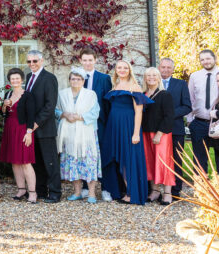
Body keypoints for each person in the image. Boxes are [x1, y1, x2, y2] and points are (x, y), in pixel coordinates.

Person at [104, 60, 152, 205]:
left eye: (125, 68)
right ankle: (122, 191)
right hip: (114, 126)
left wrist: (136, 132)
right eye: (119, 67)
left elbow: (139, 112)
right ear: (116, 70)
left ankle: (133, 193)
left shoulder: (134, 87)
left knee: (128, 158)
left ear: (129, 70)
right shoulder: (115, 86)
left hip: (128, 126)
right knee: (116, 158)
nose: (122, 70)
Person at [56, 68, 101, 203]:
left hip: (86, 133)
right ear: (69, 80)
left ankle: (92, 193)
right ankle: (77, 192)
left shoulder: (90, 94)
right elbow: (56, 109)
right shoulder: (62, 94)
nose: (75, 81)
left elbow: (95, 112)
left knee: (89, 162)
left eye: (78, 79)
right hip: (68, 133)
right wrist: (65, 114)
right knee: (72, 162)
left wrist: (80, 117)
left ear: (83, 81)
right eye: (73, 79)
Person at [24, 50, 61, 203]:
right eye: (29, 61)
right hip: (32, 128)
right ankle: (40, 190)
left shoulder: (49, 78)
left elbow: (50, 106)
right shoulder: (28, 77)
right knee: (37, 162)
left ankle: (55, 192)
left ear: (42, 61)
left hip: (45, 128)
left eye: (35, 61)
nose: (32, 64)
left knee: (50, 162)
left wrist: (35, 124)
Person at [0, 68, 38, 203]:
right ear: (9, 80)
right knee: (15, 163)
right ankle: (21, 189)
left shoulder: (28, 95)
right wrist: (4, 105)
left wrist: (29, 133)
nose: (15, 80)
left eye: (17, 78)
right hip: (10, 129)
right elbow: (3, 114)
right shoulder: (8, 94)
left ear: (22, 80)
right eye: (12, 78)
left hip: (23, 130)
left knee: (25, 162)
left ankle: (32, 192)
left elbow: (31, 116)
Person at [79, 50, 113, 201]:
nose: (87, 63)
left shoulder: (104, 78)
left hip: (100, 123)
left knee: (103, 154)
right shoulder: (77, 77)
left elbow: (107, 102)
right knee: (85, 155)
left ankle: (106, 188)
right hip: (81, 125)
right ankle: (86, 187)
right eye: (85, 60)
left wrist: (107, 123)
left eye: (90, 60)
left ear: (95, 60)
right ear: (80, 61)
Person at [142, 67, 175, 205]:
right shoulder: (143, 94)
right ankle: (155, 191)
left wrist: (159, 133)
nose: (151, 77)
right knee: (149, 161)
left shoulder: (164, 94)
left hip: (161, 134)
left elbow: (169, 116)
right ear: (145, 78)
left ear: (158, 77)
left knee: (164, 162)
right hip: (145, 133)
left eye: (154, 75)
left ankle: (167, 193)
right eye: (148, 75)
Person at [160, 57, 193, 199]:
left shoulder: (180, 84)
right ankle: (155, 189)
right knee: (158, 159)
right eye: (163, 67)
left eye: (169, 67)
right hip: (156, 129)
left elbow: (187, 106)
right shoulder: (152, 82)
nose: (165, 70)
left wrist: (170, 115)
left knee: (176, 160)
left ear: (173, 69)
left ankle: (175, 190)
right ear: (159, 68)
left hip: (176, 128)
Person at [187, 49, 219, 177]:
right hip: (199, 123)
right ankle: (201, 188)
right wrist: (190, 120)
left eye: (208, 58)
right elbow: (190, 98)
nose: (205, 62)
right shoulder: (194, 76)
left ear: (214, 58)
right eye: (202, 59)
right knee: (199, 158)